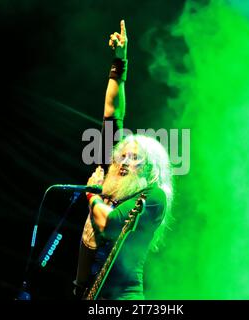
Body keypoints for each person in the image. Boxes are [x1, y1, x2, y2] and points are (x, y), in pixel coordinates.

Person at [73, 20, 173, 300]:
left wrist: (93, 196)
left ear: (151, 170)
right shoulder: (111, 184)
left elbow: (108, 224)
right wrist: (120, 62)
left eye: (135, 158)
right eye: (122, 156)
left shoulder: (153, 197)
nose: (124, 162)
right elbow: (111, 112)